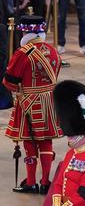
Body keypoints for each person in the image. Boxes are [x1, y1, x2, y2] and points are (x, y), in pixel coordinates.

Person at [3, 15, 62, 194]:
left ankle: (30, 182)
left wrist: (20, 87)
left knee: (29, 144)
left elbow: (9, 82)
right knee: (46, 142)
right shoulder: (52, 50)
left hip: (29, 102)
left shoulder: (23, 53)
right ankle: (45, 182)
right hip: (50, 101)